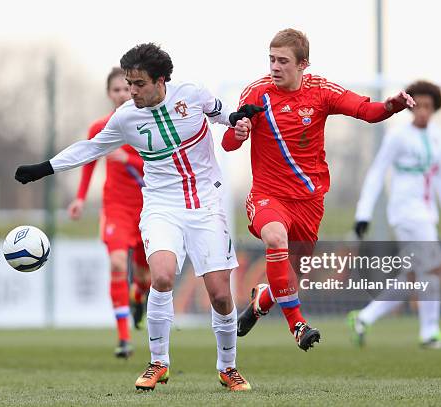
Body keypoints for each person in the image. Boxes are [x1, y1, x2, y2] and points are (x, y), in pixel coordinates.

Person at [15, 43, 263, 391]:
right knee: (160, 276)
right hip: (162, 206)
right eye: (128, 83)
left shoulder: (191, 94)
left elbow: (221, 113)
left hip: (207, 204)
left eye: (138, 84)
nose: (131, 91)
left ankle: (227, 367)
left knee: (221, 295)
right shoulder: (126, 117)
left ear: (160, 81)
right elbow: (90, 149)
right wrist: (44, 169)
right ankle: (158, 362)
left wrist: (237, 118)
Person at [222, 28, 415, 351]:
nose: (275, 67)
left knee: (291, 275)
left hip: (309, 202)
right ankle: (298, 325)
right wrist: (239, 132)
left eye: (283, 61)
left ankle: (263, 298)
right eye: (271, 59)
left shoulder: (321, 91)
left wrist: (391, 106)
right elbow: (228, 144)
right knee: (275, 239)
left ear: (303, 64)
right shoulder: (257, 94)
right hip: (268, 196)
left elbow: (366, 111)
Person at [348, 80, 441, 349]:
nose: (423, 111)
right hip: (405, 212)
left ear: (434, 108)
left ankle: (363, 318)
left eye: (428, 106)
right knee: (432, 265)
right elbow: (377, 172)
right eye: (418, 105)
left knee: (411, 277)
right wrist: (363, 212)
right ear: (411, 107)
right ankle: (430, 332)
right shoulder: (397, 136)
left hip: (426, 212)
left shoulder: (438, 136)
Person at [66, 67, 150, 359]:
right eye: (116, 90)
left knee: (146, 278)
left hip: (148, 208)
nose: (122, 94)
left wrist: (127, 157)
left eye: (126, 89)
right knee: (116, 264)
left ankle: (139, 295)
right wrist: (79, 198)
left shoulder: (147, 123)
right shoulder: (100, 128)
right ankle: (124, 338)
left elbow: (161, 163)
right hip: (115, 207)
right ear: (109, 94)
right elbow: (88, 161)